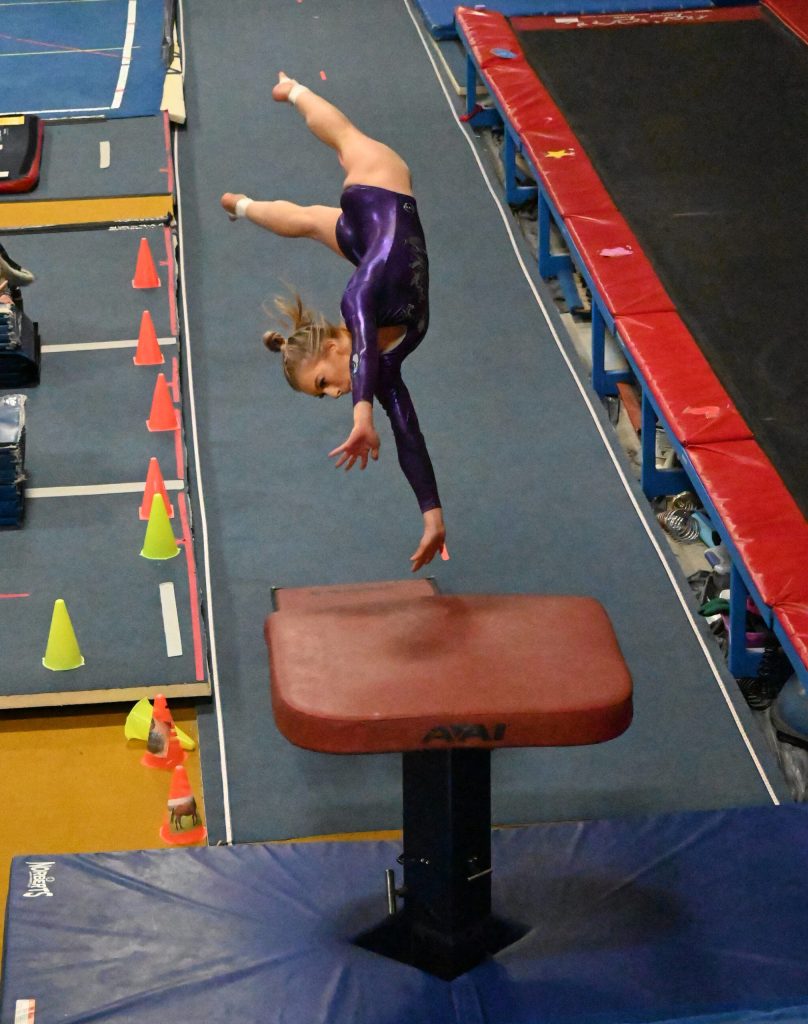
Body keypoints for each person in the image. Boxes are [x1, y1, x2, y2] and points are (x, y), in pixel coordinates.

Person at [221, 73, 445, 572]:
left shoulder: (358, 298)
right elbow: (408, 430)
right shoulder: (379, 367)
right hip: (368, 236)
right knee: (302, 221)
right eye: (322, 395)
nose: (332, 395)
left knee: (346, 139)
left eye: (323, 383)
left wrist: (361, 414)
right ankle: (243, 205)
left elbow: (365, 342)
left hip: (381, 190)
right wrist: (432, 513)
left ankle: (293, 89)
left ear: (333, 349)